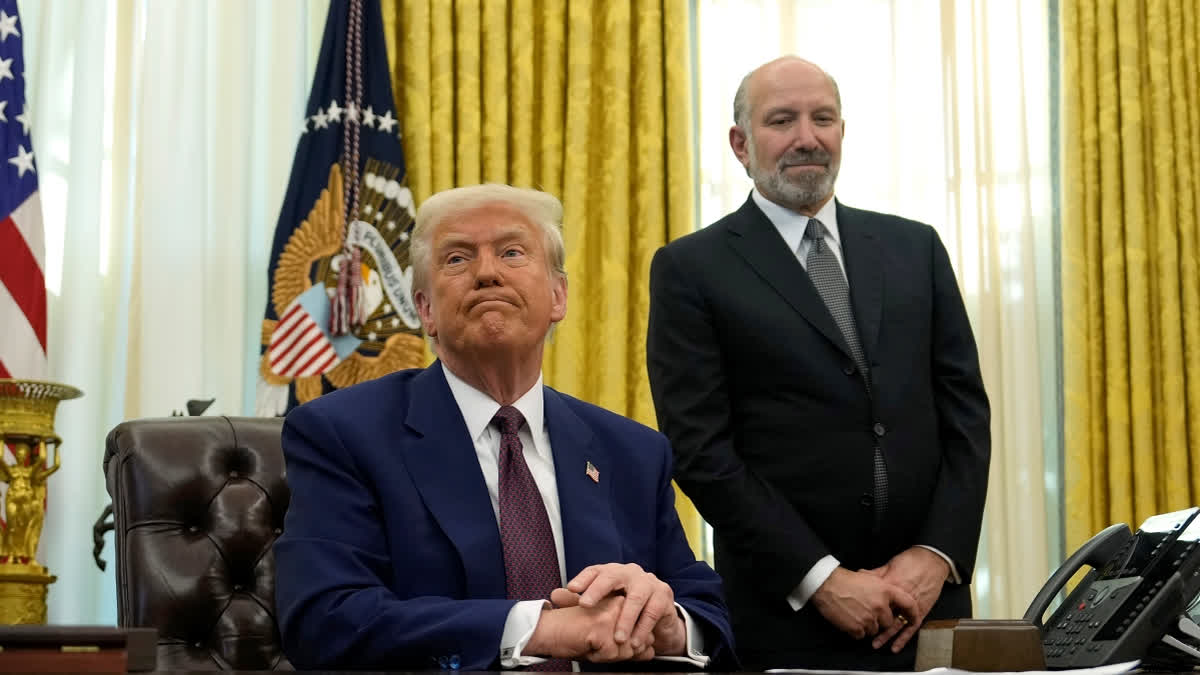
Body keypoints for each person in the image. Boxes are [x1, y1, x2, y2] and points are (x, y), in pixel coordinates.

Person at [275, 183, 736, 671]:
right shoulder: (342, 434)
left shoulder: (633, 452)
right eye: (457, 259)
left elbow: (711, 617)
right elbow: (324, 619)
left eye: (512, 252)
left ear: (558, 296)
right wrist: (538, 627)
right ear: (425, 310)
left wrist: (666, 625)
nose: (488, 273)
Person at [645, 56, 991, 670]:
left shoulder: (917, 248)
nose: (808, 137)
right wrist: (822, 579)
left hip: (928, 609)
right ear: (740, 143)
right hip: (787, 615)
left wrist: (937, 553)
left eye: (822, 118)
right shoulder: (691, 269)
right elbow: (701, 450)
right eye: (782, 120)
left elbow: (966, 418)